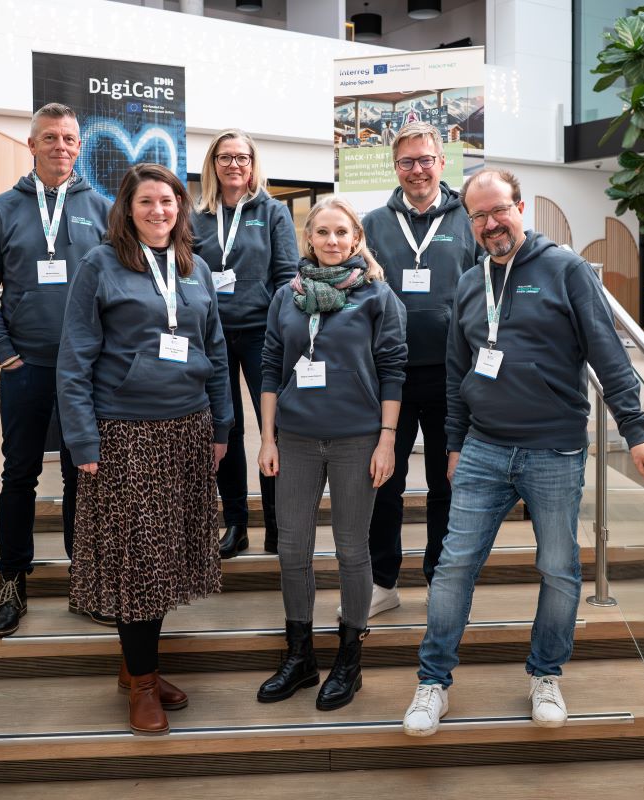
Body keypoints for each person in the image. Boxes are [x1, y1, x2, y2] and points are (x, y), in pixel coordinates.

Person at [401, 168, 644, 736]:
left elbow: (608, 354)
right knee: (453, 567)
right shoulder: (470, 283)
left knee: (558, 568)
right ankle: (433, 683)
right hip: (483, 449)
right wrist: (454, 443)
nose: (490, 223)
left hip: (553, 449)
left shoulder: (565, 269)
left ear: (520, 207)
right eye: (478, 215)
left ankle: (546, 675)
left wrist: (637, 432)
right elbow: (456, 372)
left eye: (499, 210)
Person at [57, 163, 232, 736]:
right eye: (147, 202)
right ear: (127, 210)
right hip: (126, 433)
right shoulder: (100, 264)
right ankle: (143, 683)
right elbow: (75, 358)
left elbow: (215, 351)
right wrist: (82, 438)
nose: (159, 211)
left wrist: (222, 426)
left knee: (165, 559)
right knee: (140, 564)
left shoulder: (195, 268)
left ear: (181, 208)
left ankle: (136, 668)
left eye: (168, 201)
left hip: (187, 431)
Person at [255, 197, 407, 712]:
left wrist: (387, 439)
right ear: (309, 239)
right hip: (296, 439)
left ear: (357, 238)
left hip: (356, 440)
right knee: (292, 549)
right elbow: (271, 365)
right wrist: (268, 437)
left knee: (351, 549)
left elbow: (393, 370)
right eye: (322, 232)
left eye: (342, 232)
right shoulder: (287, 295)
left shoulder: (377, 296)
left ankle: (349, 661)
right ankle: (300, 656)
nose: (333, 241)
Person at [0, 102, 111, 639]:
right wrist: (6, 353)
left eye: (69, 138)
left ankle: (86, 580)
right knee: (19, 475)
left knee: (83, 475)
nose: (60, 147)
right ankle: (12, 582)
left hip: (84, 373)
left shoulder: (101, 209)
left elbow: (117, 289)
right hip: (25, 366)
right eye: (49, 137)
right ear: (31, 145)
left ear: (79, 146)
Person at [359, 121, 478, 618]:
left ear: (442, 162)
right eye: (407, 162)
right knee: (383, 481)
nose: (417, 170)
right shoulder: (373, 223)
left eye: (426, 160)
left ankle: (440, 580)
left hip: (453, 375)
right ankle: (382, 580)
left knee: (446, 484)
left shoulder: (469, 218)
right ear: (395, 167)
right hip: (391, 375)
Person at [192, 129, 299, 559]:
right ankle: (236, 524)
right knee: (226, 427)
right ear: (213, 164)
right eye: (225, 157)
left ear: (253, 165)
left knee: (274, 428)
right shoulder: (196, 215)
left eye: (242, 157)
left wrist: (281, 332)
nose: (234, 164)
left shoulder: (273, 212)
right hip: (212, 336)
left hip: (262, 336)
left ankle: (277, 524)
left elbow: (287, 276)